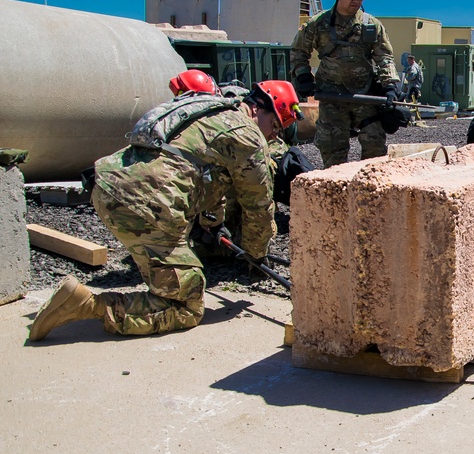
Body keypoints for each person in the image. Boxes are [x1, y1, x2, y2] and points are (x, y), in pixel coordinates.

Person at [29, 81, 302, 341]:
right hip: (146, 207)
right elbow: (258, 208)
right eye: (275, 126)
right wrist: (256, 254)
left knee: (181, 272)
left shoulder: (212, 111)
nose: (273, 135)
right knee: (186, 305)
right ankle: (87, 305)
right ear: (258, 109)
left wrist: (214, 223)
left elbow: (207, 174)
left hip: (111, 187)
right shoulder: (248, 135)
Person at [290, 0, 405, 168]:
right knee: (332, 150)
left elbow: (385, 58)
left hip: (366, 96)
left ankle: (370, 194)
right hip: (331, 96)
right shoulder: (318, 25)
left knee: (375, 149)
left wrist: (390, 87)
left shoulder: (371, 25)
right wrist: (303, 77)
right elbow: (298, 52)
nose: (356, 1)